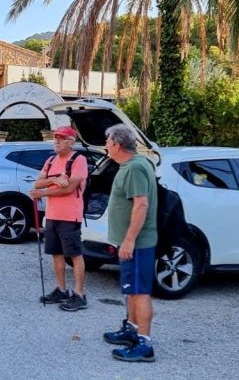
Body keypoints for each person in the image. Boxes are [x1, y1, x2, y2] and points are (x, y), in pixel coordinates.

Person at [101, 124, 158, 362]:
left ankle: (145, 344)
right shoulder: (133, 165)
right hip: (132, 243)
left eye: (107, 142)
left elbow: (141, 204)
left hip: (138, 243)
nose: (105, 146)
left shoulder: (134, 168)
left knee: (140, 291)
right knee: (132, 291)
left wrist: (129, 240)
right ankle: (131, 330)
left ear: (116, 144)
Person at [30, 125, 89, 312]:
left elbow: (70, 189)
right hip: (52, 215)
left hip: (70, 216)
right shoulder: (50, 160)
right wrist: (53, 180)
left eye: (61, 138)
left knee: (74, 255)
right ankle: (61, 290)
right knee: (56, 253)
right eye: (55, 137)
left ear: (71, 142)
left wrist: (43, 191)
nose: (56, 141)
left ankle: (80, 295)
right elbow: (37, 182)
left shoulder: (79, 160)